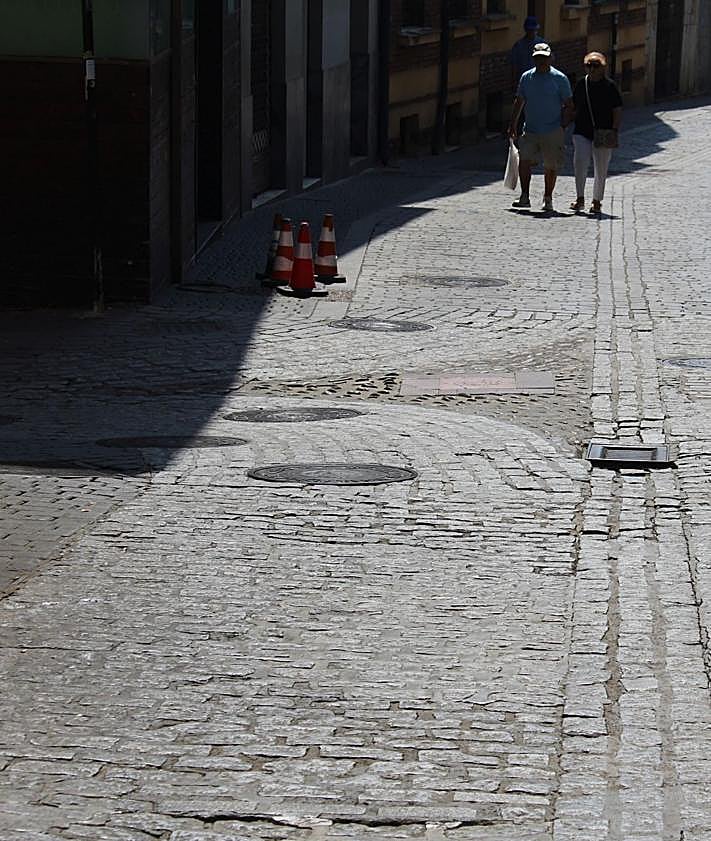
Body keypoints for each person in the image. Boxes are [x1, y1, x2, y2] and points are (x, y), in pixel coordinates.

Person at [507, 43, 574, 212]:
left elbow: (569, 104)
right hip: (530, 129)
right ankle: (524, 196)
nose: (541, 61)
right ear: (533, 59)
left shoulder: (560, 78)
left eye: (544, 57)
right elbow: (519, 100)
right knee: (524, 160)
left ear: (550, 58)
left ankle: (548, 198)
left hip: (552, 129)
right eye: (538, 58)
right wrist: (513, 123)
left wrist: (563, 125)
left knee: (551, 165)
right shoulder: (526, 77)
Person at [569, 51, 623, 215]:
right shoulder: (581, 84)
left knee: (601, 168)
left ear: (602, 67)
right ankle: (579, 198)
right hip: (581, 130)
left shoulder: (610, 86)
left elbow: (617, 109)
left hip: (603, 132)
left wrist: (614, 129)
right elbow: (574, 107)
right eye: (589, 65)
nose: (592, 69)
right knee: (580, 163)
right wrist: (565, 121)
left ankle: (597, 200)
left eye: (595, 66)